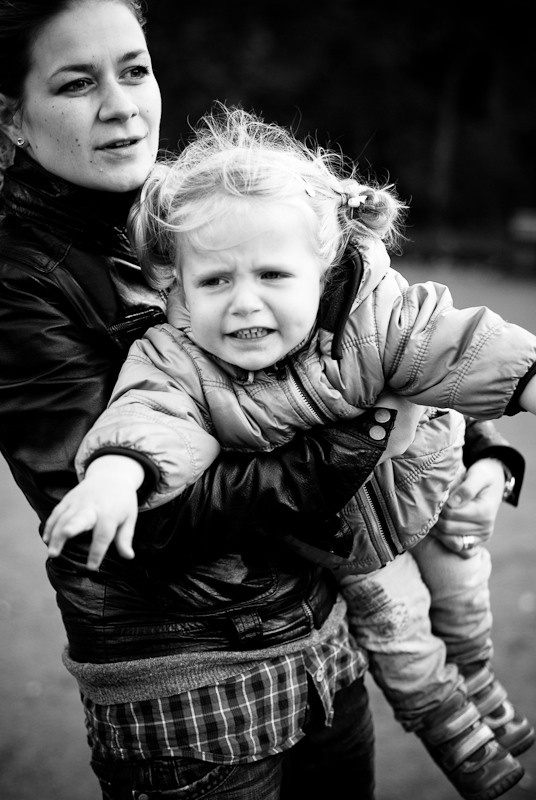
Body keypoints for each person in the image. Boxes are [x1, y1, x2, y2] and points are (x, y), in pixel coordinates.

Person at [0, 3, 525, 800]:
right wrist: (357, 442)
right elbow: (143, 494)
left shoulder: (204, 203)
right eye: (77, 82)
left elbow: (377, 312)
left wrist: (478, 444)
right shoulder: (21, 282)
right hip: (193, 684)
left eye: (134, 69)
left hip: (321, 639)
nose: (121, 105)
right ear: (11, 116)